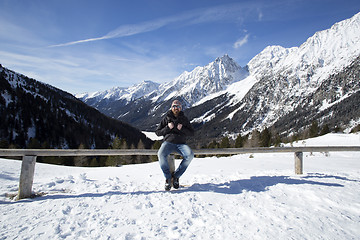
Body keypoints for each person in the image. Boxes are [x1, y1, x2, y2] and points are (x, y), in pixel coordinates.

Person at [155, 100, 194, 191]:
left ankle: (176, 176)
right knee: (161, 154)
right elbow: (157, 132)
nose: (176, 108)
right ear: (171, 108)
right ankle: (168, 178)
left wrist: (182, 129)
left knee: (190, 155)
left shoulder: (184, 119)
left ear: (180, 108)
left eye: (178, 107)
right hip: (168, 142)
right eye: (174, 106)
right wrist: (168, 128)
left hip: (181, 144)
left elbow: (192, 133)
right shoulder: (167, 118)